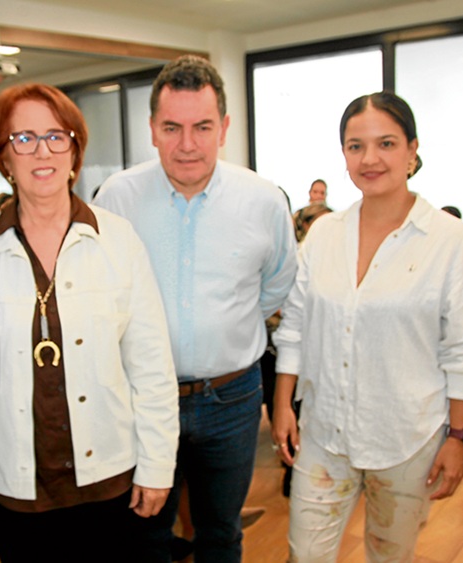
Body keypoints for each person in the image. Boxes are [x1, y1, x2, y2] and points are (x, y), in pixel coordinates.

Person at [271, 91, 463, 562]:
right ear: (344, 156)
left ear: (413, 151)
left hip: (406, 437)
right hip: (324, 430)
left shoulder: (448, 240)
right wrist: (282, 401)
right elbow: (295, 322)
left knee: (389, 555)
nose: (370, 159)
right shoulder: (325, 233)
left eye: (387, 144)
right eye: (356, 146)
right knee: (304, 555)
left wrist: (457, 438)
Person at [94, 54, 297, 563]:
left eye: (202, 127)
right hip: (142, 399)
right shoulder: (116, 198)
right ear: (152, 130)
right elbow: (100, 293)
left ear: (224, 127)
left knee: (220, 533)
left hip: (232, 399)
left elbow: (276, 287)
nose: (187, 144)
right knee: (145, 536)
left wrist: (225, 326)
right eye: (173, 128)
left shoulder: (264, 200)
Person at [0, 82, 179, 563]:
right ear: (4, 157)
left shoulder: (118, 239)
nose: (41, 151)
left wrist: (156, 466)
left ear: (75, 149)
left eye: (55, 136)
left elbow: (151, 366)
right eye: (22, 138)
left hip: (111, 481)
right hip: (16, 487)